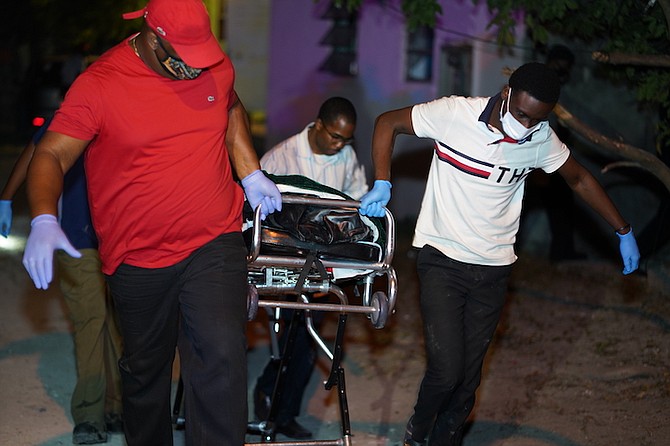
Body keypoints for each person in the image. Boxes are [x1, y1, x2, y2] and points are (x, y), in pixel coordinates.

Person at [20, 0, 282, 445]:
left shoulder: (214, 67)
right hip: (137, 254)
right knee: (146, 372)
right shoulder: (102, 84)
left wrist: (250, 170)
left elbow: (231, 106)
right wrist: (44, 217)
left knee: (222, 356)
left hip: (213, 239)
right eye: (182, 58)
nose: (194, 69)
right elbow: (51, 153)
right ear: (152, 36)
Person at [357, 62, 640, 446]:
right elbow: (388, 122)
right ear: (506, 94)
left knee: (469, 378)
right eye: (522, 114)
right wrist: (383, 180)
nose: (525, 126)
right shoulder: (455, 114)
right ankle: (418, 431)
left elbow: (578, 178)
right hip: (443, 258)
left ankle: (446, 438)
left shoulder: (540, 137)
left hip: (494, 269)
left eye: (536, 120)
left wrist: (623, 230)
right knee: (446, 369)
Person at [1, 119, 124, 444]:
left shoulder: (129, 109)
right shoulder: (73, 115)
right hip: (77, 239)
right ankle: (89, 415)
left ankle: (116, 408)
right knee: (91, 320)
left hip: (121, 237)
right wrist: (7, 198)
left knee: (117, 324)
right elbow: (37, 152)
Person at [253, 96, 368, 438]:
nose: (339, 145)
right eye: (334, 136)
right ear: (318, 125)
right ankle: (277, 410)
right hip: (287, 260)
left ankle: (273, 399)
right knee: (298, 337)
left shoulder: (345, 155)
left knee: (302, 336)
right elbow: (258, 214)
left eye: (345, 140)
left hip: (324, 261)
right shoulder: (280, 156)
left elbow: (355, 201)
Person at [524, 44, 585, 261]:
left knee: (562, 205)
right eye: (560, 67)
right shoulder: (539, 84)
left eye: (566, 68)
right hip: (532, 157)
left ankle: (562, 252)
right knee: (520, 205)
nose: (563, 72)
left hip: (552, 155)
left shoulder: (558, 88)